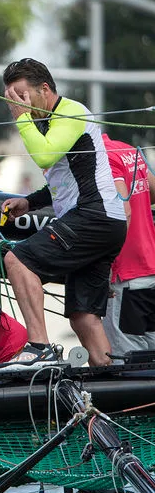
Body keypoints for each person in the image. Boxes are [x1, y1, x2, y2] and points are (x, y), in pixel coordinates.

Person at [0, 58, 127, 366]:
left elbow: (44, 155)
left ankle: (40, 348)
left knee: (18, 261)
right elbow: (65, 180)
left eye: (22, 96)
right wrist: (29, 202)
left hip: (94, 216)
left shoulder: (70, 112)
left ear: (44, 89)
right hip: (103, 221)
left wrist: (21, 118)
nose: (19, 104)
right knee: (82, 316)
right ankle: (109, 378)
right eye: (12, 99)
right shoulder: (48, 123)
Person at [101, 134, 155, 353]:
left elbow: (123, 212)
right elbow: (152, 190)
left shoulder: (101, 157)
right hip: (150, 268)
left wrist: (105, 268)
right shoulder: (126, 149)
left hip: (125, 275)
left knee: (127, 360)